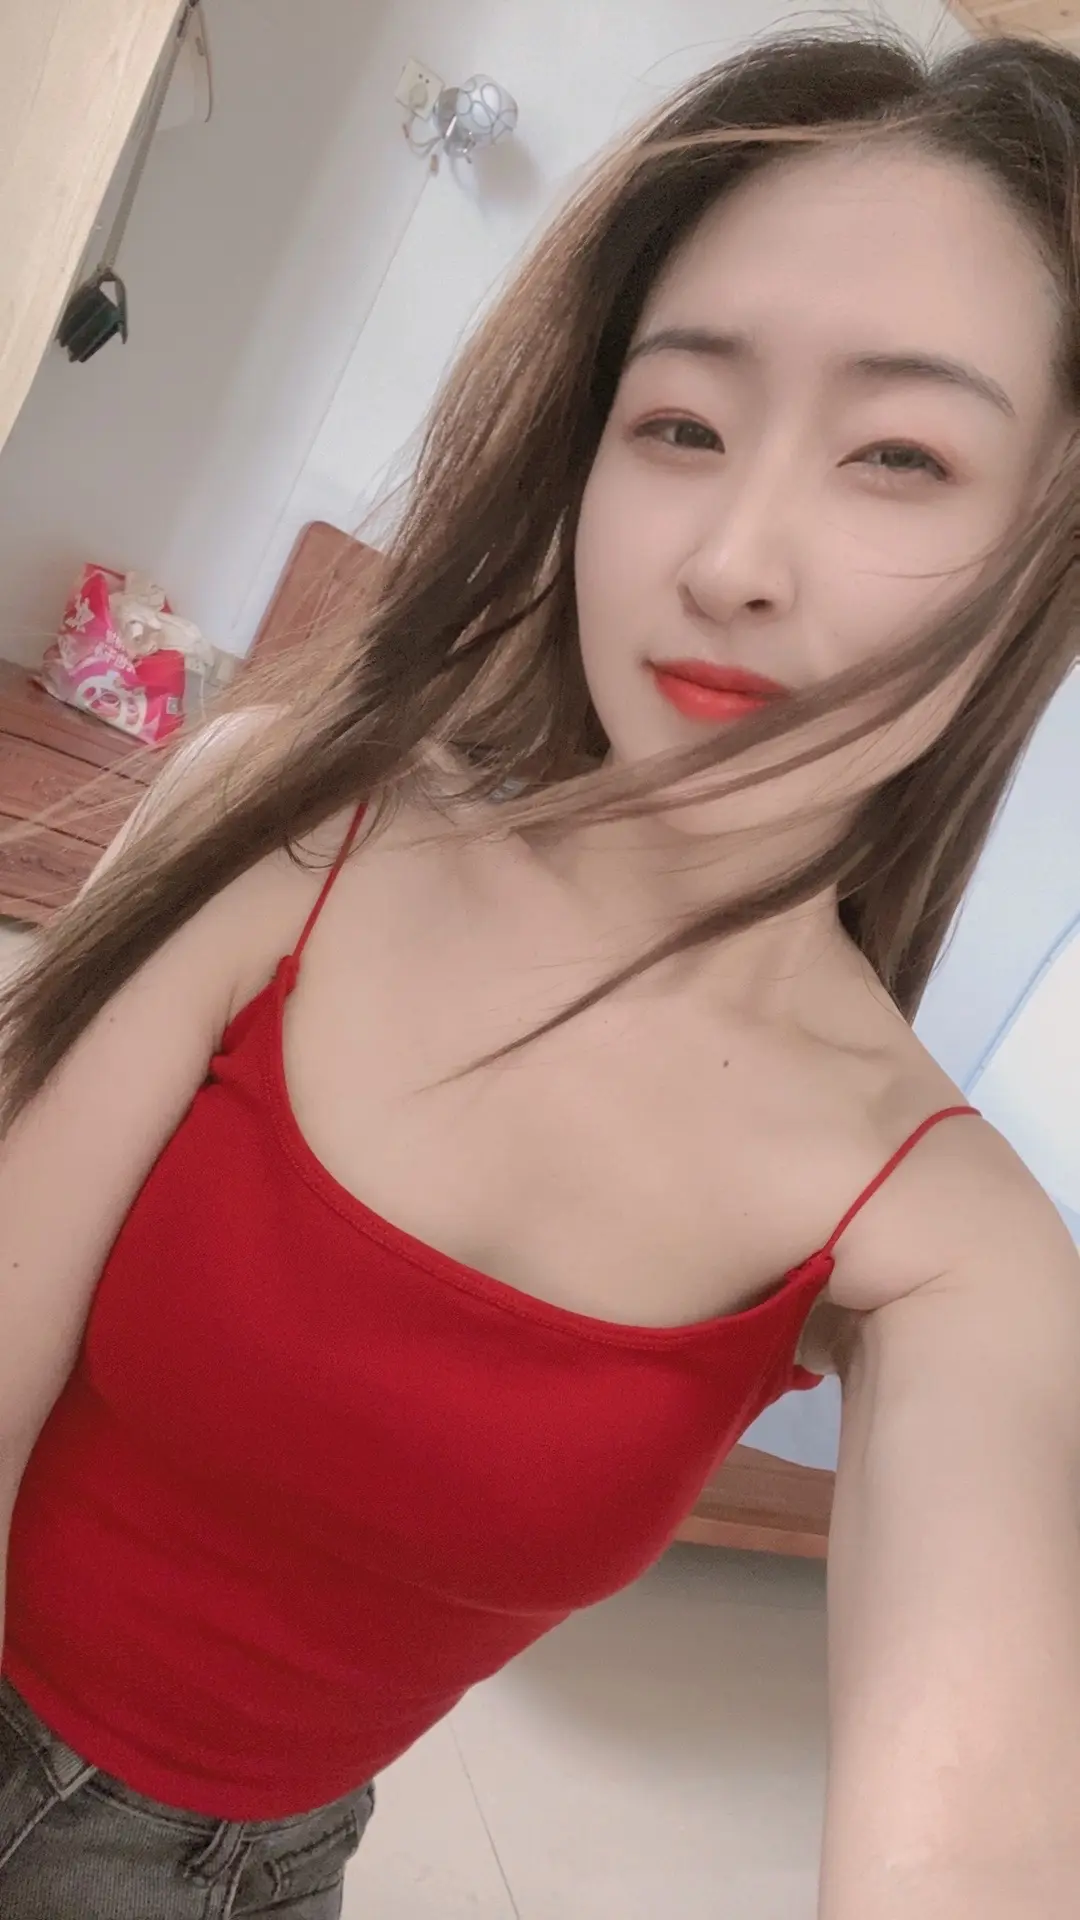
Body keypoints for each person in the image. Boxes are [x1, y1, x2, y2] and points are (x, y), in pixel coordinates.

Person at [2, 23, 1080, 1918]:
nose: (732, 558)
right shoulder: (287, 819)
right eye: (682, 425)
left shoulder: (948, 1239)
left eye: (901, 455)